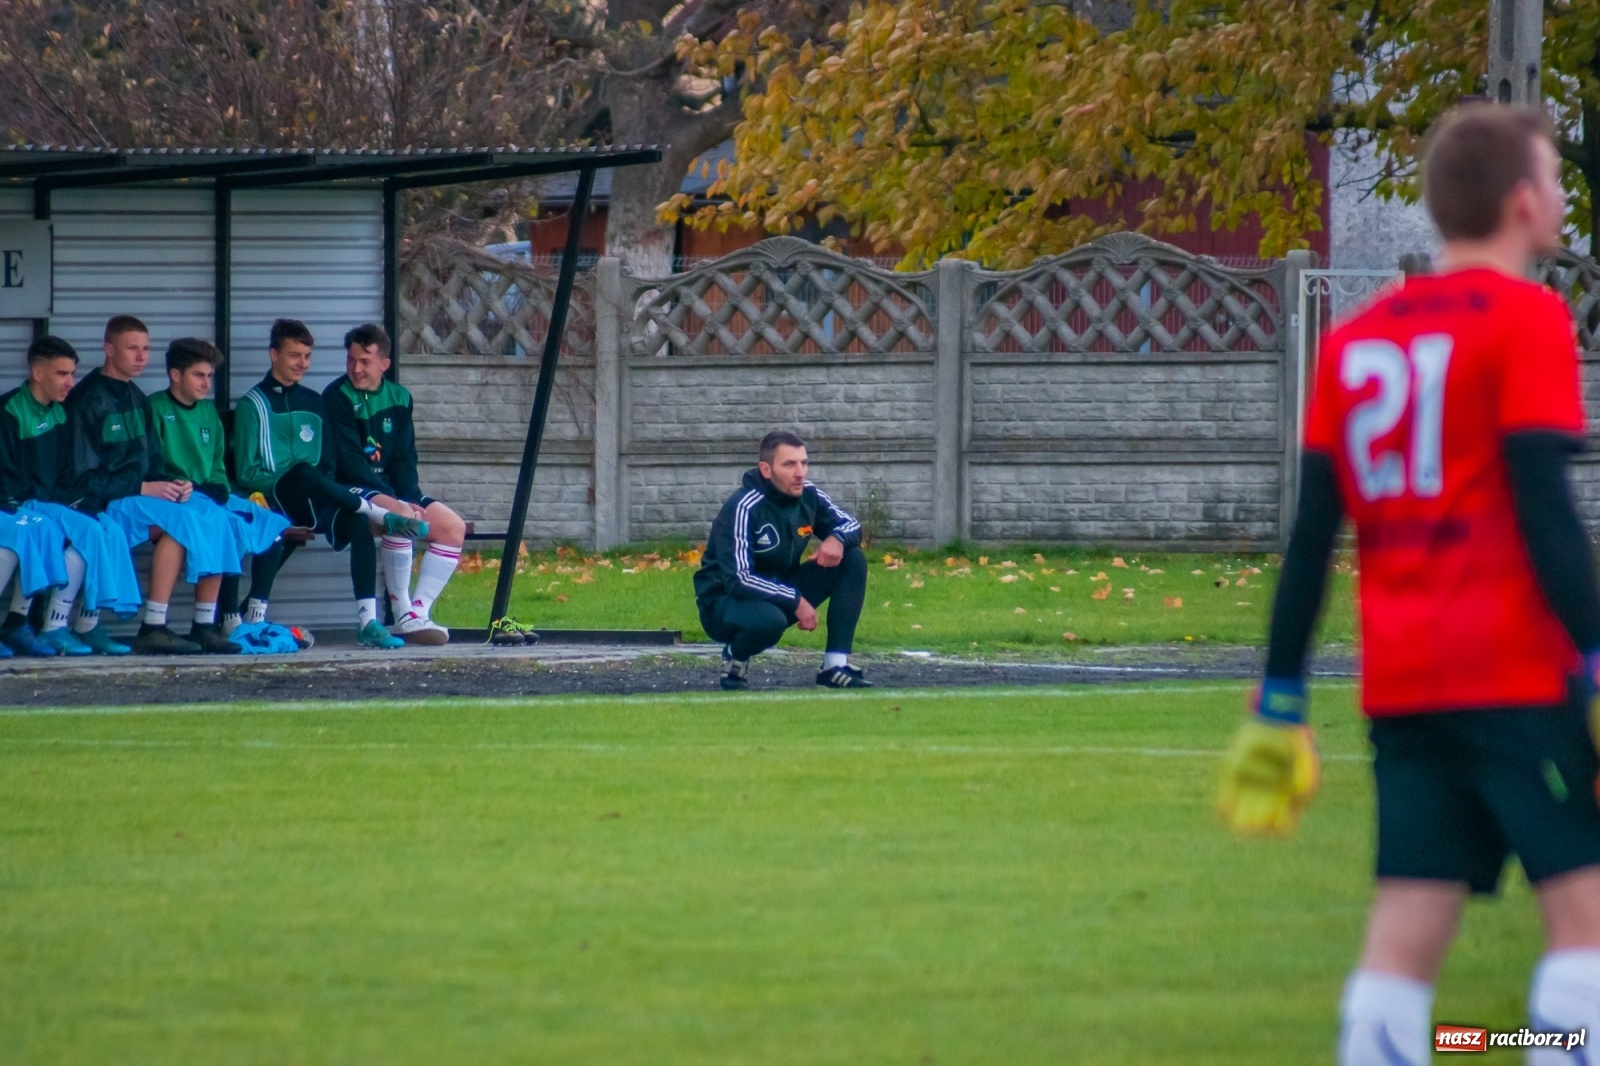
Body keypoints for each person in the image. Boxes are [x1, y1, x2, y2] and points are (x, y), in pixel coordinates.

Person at [1217, 104, 1600, 1066]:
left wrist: (1281, 697)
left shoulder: (1356, 339)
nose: (1560, 196)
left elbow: (1312, 537)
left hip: (1405, 682)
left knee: (1405, 930)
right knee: (1586, 924)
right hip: (1514, 672)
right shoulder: (1528, 319)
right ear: (1523, 202)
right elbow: (1545, 513)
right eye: (1554, 179)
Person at [232, 318, 428, 650]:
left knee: (357, 521)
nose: (302, 364)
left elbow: (330, 464)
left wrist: (314, 484)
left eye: (307, 356)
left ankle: (368, 621)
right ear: (273, 355)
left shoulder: (314, 401)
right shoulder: (253, 404)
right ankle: (380, 512)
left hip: (315, 501)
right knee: (303, 474)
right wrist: (296, 480)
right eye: (295, 355)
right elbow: (247, 473)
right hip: (274, 501)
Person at [62, 315, 245, 655]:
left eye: (145, 349)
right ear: (108, 349)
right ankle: (151, 627)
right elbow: (83, 479)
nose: (141, 356)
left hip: (136, 497)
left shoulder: (137, 399)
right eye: (132, 348)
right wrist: (144, 488)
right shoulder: (86, 399)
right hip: (101, 502)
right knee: (183, 519)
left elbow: (152, 466)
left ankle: (202, 624)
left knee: (208, 511)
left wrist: (177, 485)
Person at [323, 323, 466, 645]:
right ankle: (401, 610)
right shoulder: (336, 396)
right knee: (403, 517)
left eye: (365, 361)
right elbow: (350, 462)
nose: (356, 369)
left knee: (453, 528)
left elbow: (404, 457)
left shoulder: (400, 397)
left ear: (384, 364)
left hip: (392, 493)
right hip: (351, 489)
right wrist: (399, 504)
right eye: (351, 360)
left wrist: (409, 496)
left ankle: (418, 612)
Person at [694, 430, 871, 689]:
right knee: (770, 622)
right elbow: (739, 579)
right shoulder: (743, 507)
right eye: (789, 464)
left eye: (804, 463)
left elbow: (852, 525)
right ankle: (736, 656)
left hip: (778, 590)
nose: (800, 472)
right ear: (766, 470)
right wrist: (796, 600)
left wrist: (837, 539)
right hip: (725, 602)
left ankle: (834, 666)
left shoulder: (808, 495)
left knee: (852, 559)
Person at [148, 338, 291, 638]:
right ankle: (223, 620)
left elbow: (217, 467)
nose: (207, 383)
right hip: (174, 500)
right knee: (224, 527)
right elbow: (151, 465)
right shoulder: (155, 408)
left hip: (210, 497)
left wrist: (217, 488)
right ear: (176, 375)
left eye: (209, 376)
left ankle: (253, 617)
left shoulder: (208, 412)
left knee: (274, 527)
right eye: (199, 375)